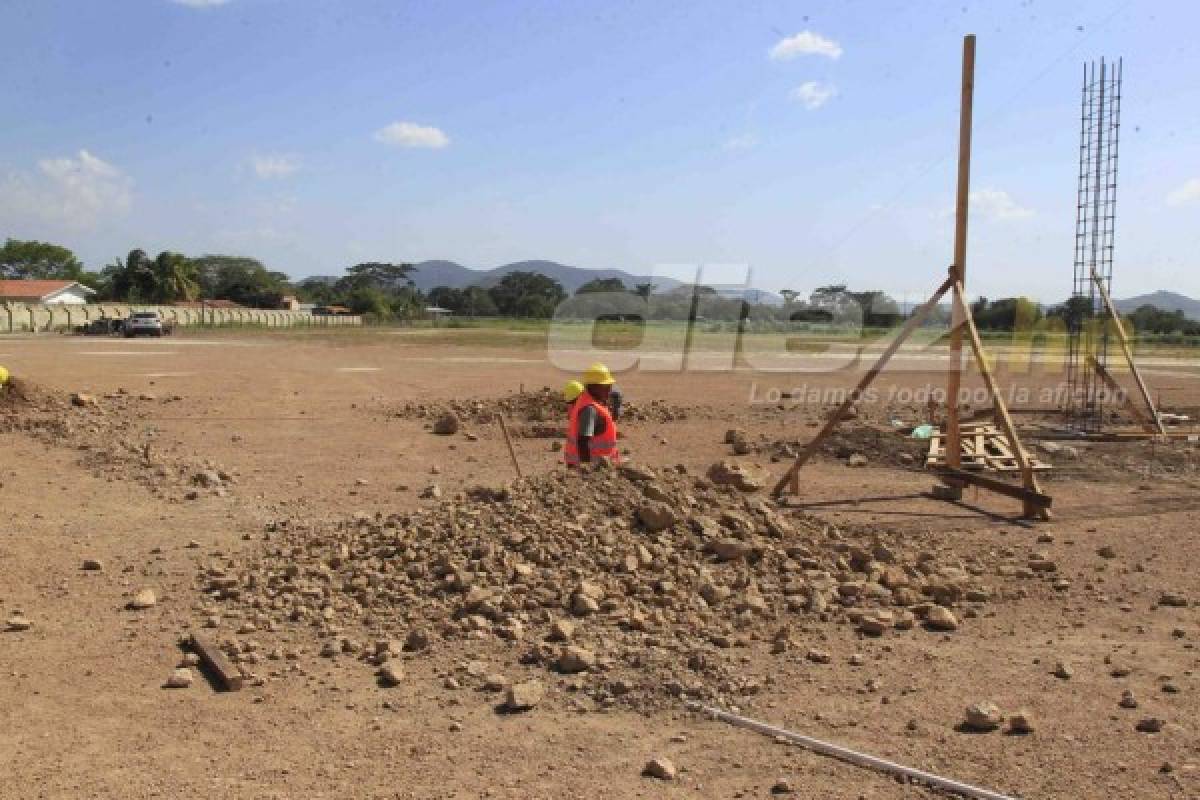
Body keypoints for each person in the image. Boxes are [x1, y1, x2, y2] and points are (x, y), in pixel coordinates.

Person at [563, 363, 621, 466]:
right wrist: (587, 469)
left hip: (600, 466)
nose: (609, 390)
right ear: (593, 387)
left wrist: (616, 409)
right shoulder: (589, 409)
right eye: (605, 386)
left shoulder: (592, 403)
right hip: (593, 468)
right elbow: (583, 441)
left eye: (610, 386)